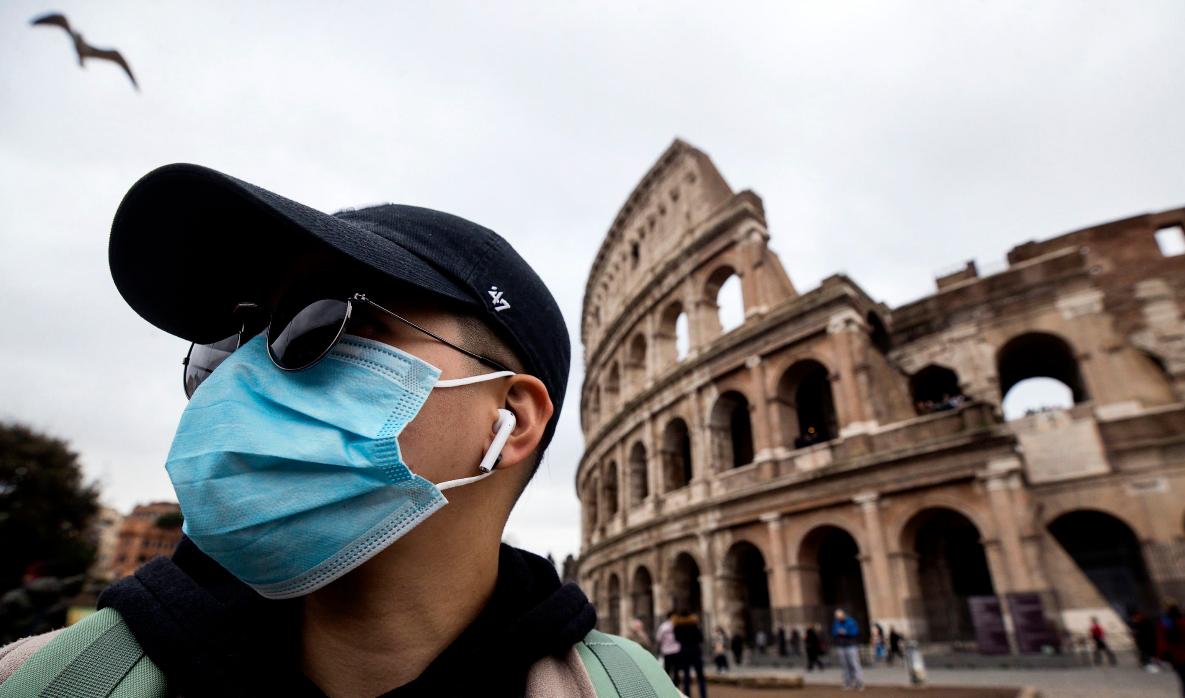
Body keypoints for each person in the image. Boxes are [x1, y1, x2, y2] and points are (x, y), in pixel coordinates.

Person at [0, 165, 678, 696]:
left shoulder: (627, 691)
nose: (241, 379)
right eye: (224, 350)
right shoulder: (42, 681)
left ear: (510, 419)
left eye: (318, 322)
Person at [673, 610, 707, 698]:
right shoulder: (694, 625)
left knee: (686, 676)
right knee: (700, 676)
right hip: (695, 650)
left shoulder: (677, 626)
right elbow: (700, 638)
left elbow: (676, 639)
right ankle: (703, 695)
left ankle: (687, 695)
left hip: (684, 651)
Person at [832, 609, 864, 690]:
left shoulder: (850, 621)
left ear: (843, 615)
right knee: (844, 665)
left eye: (839, 616)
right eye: (837, 617)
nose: (838, 618)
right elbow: (833, 632)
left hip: (851, 645)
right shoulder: (836, 623)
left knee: (854, 664)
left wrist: (846, 632)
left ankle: (859, 683)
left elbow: (855, 632)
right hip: (841, 646)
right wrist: (837, 632)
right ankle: (847, 683)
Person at [656, 610, 682, 681]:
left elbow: (658, 638)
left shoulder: (663, 626)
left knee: (669, 670)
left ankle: (670, 685)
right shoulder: (675, 625)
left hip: (668, 650)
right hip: (673, 650)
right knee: (674, 670)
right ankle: (675, 686)